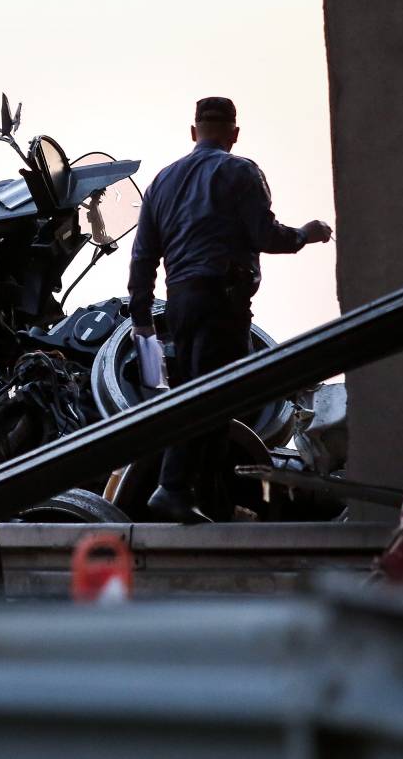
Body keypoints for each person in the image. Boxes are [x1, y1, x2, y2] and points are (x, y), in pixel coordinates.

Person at [127, 97, 332, 524]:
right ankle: (172, 487)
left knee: (213, 402)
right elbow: (264, 234)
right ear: (234, 134)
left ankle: (211, 500)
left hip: (180, 303)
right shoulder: (240, 171)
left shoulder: (161, 182)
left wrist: (143, 319)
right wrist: (304, 235)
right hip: (222, 300)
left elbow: (143, 256)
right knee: (211, 398)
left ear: (193, 131)